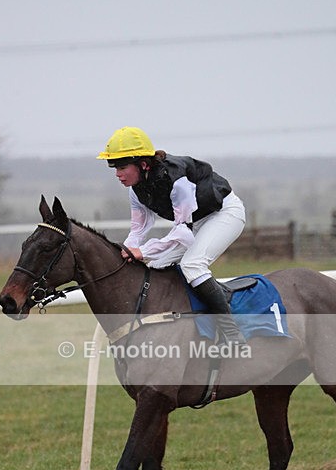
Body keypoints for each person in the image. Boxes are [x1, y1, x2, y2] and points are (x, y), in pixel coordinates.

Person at [97, 126, 247, 344]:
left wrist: (144, 251)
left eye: (121, 167)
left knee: (192, 265)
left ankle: (232, 333)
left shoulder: (177, 181)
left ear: (144, 164)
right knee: (154, 266)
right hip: (194, 222)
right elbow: (139, 228)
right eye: (113, 167)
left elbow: (183, 232)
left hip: (224, 214)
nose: (117, 174)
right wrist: (128, 250)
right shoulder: (136, 190)